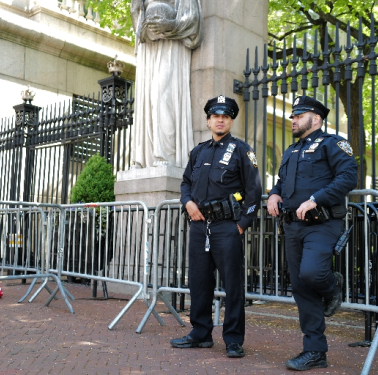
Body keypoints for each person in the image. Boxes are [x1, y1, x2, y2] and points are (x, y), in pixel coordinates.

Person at [266, 96, 357, 371]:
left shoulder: (333, 143)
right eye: (292, 116)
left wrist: (317, 198)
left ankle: (333, 287)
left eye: (298, 115)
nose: (292, 120)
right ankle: (315, 350)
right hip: (292, 225)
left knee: (312, 273)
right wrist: (273, 194)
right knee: (301, 288)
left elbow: (348, 176)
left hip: (323, 223)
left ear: (315, 118)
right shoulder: (291, 151)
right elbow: (282, 181)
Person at [173, 95, 262, 358]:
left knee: (233, 286)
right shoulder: (198, 151)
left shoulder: (242, 150)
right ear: (208, 120)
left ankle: (233, 339)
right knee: (199, 283)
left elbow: (253, 190)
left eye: (225, 116)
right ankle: (200, 334)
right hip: (199, 226)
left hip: (227, 227)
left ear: (231, 120)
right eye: (215, 116)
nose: (220, 120)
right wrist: (187, 202)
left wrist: (243, 224)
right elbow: (186, 182)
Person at [130, 0, 202, 168]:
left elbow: (192, 18)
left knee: (162, 96)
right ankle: (144, 158)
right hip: (148, 47)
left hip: (171, 45)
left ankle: (167, 156)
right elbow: (137, 15)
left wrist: (170, 25)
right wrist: (145, 29)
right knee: (146, 101)